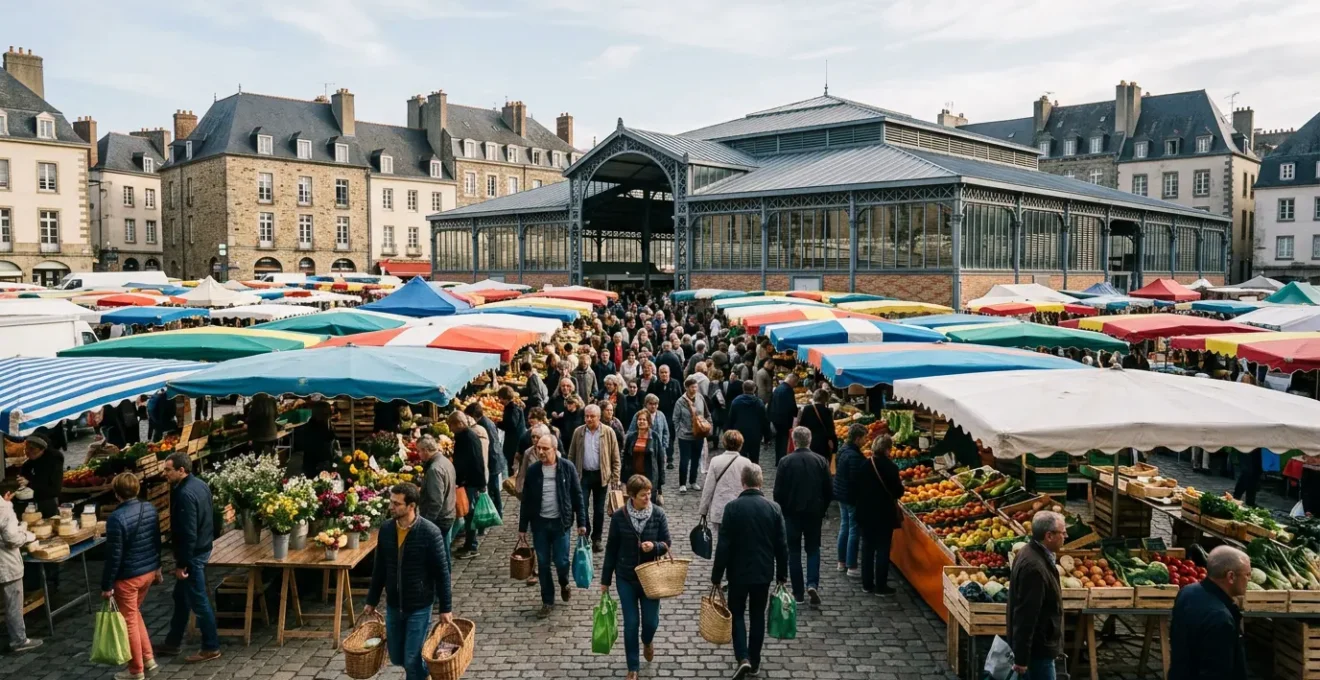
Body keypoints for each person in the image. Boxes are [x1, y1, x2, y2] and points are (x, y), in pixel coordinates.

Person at [364, 483, 454, 680]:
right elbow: (380, 568)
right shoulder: (387, 529)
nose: (391, 507)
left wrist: (445, 608)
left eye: (396, 504)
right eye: (391, 502)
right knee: (397, 657)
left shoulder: (430, 533)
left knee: (412, 658)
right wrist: (371, 600)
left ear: (411, 506)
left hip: (419, 606)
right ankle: (426, 675)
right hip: (394, 605)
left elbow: (442, 573)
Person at [711, 465, 788, 680]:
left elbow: (724, 545)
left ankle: (742, 657)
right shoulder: (773, 508)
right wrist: (782, 573)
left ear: (742, 482)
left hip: (738, 573)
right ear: (761, 482)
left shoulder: (733, 508)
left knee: (737, 614)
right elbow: (782, 545)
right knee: (757, 616)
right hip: (763, 572)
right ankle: (754, 661)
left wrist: (716, 576)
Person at [601, 475, 671, 680]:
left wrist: (655, 546)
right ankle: (633, 667)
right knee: (631, 623)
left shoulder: (658, 514)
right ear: (631, 496)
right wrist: (605, 581)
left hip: (651, 578)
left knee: (651, 622)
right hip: (626, 577)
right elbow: (611, 549)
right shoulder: (619, 517)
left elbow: (667, 542)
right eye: (643, 495)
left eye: (649, 493)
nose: (648, 498)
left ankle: (647, 640)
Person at [159, 453, 220, 663]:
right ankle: (172, 642)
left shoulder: (184, 494)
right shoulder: (200, 485)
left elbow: (187, 533)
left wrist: (182, 564)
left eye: (168, 470)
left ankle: (211, 646)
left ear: (181, 470)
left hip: (193, 554)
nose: (164, 473)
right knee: (181, 597)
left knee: (199, 600)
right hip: (202, 546)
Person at [519, 434, 589, 618]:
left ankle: (564, 582)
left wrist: (582, 522)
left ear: (554, 448)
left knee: (561, 561)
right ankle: (547, 601)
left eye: (545, 448)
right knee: (542, 563)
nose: (540, 452)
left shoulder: (567, 468)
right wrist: (522, 527)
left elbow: (577, 495)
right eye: (538, 448)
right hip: (540, 523)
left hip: (561, 523)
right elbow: (526, 500)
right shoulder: (534, 471)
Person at [100, 473, 162, 680]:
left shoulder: (116, 518)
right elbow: (156, 541)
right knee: (134, 614)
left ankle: (136, 670)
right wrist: (158, 567)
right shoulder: (150, 508)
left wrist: (107, 585)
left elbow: (113, 556)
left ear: (117, 494)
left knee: (129, 623)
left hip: (128, 578)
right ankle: (148, 659)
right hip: (148, 572)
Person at [1168, 545, 1249, 680]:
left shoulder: (1187, 592)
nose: (1249, 579)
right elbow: (1217, 672)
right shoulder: (1220, 618)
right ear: (1231, 576)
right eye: (1247, 574)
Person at [773, 426, 832, 606]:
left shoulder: (785, 462)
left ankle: (798, 593)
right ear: (810, 440)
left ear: (793, 440)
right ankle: (812, 583)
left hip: (792, 514)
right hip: (814, 513)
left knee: (794, 551)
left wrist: (783, 510)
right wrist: (823, 510)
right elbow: (829, 490)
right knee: (813, 549)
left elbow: (778, 492)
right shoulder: (821, 461)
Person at [1007, 511, 1066, 680]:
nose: (1066, 536)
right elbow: (1025, 615)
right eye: (1063, 533)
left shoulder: (1031, 553)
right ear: (1049, 536)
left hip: (1039, 646)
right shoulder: (1034, 568)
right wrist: (1021, 658)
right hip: (1038, 651)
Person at [852, 434, 903, 594]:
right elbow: (898, 492)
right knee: (882, 549)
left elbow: (856, 488)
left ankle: (867, 584)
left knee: (867, 548)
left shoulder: (865, 465)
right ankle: (881, 585)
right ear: (887, 450)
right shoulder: (892, 468)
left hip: (866, 513)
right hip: (884, 515)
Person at [568, 404, 621, 553]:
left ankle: (597, 538)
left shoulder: (608, 432)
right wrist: (571, 476)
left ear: (599, 417)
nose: (589, 419)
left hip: (601, 476)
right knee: (582, 507)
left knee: (599, 509)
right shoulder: (578, 432)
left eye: (592, 416)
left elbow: (615, 457)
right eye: (586, 416)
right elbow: (571, 455)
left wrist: (615, 477)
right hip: (583, 475)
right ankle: (585, 534)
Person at [0, 484, 40, 655]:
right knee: (13, 604)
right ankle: (19, 640)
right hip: (6, 563)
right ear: (8, 494)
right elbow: (11, 538)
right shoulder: (5, 509)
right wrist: (27, 535)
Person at [698, 431, 758, 539]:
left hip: (720, 509)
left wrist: (703, 510)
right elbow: (752, 487)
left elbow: (708, 487)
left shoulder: (715, 461)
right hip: (741, 509)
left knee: (722, 542)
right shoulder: (746, 462)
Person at [448, 412, 484, 560]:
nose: (450, 429)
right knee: (469, 514)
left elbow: (475, 462)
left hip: (470, 482)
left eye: (451, 425)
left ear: (458, 424)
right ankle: (470, 544)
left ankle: (472, 546)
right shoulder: (465, 436)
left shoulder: (468, 438)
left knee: (469, 514)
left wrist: (478, 483)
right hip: (469, 481)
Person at [833, 424, 867, 577]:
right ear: (858, 438)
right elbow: (855, 479)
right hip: (850, 496)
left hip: (841, 494)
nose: (866, 441)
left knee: (844, 526)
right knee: (854, 529)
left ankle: (841, 562)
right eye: (864, 438)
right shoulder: (854, 456)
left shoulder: (843, 450)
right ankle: (851, 565)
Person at [466, 402, 504, 523]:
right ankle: (497, 512)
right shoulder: (486, 421)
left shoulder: (482, 426)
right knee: (494, 488)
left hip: (492, 460)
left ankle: (496, 513)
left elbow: (488, 446)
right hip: (495, 458)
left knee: (493, 489)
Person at [672, 376, 710, 493]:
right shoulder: (680, 401)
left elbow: (707, 413)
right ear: (687, 388)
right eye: (693, 387)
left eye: (696, 387)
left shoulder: (700, 398)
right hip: (685, 435)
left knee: (695, 458)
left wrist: (708, 426)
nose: (695, 389)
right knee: (684, 460)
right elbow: (675, 418)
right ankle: (682, 483)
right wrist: (679, 430)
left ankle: (693, 481)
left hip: (698, 434)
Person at [416, 435, 456, 541]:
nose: (418, 454)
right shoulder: (445, 461)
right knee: (443, 549)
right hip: (448, 512)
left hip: (440, 518)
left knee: (437, 552)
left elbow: (436, 501)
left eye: (419, 451)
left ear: (425, 450)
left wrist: (428, 522)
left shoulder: (434, 469)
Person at [622, 411, 666, 498]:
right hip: (634, 476)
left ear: (649, 422)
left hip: (649, 476)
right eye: (639, 419)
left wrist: (660, 482)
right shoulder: (631, 437)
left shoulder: (654, 436)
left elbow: (660, 459)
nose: (641, 421)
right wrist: (623, 478)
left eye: (644, 420)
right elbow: (626, 458)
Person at [18, 434, 62, 517]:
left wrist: (29, 482)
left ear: (42, 450)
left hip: (48, 500)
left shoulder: (54, 460)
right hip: (34, 499)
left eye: (32, 448)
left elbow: (53, 488)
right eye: (26, 447)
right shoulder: (33, 460)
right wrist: (22, 478)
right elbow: (25, 471)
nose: (27, 451)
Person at [648, 365, 682, 469]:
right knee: (658, 436)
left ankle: (670, 458)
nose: (664, 375)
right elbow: (648, 398)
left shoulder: (675, 384)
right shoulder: (655, 384)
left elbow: (680, 400)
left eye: (666, 372)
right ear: (659, 374)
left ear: (669, 373)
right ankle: (658, 457)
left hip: (671, 415)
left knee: (670, 436)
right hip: (658, 414)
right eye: (662, 372)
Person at [295, 401, 337, 478]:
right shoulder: (320, 427)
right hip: (317, 464)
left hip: (311, 464)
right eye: (327, 414)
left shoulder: (310, 426)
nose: (329, 416)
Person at [796, 389, 838, 461]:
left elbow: (800, 425)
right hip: (822, 443)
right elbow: (830, 429)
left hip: (807, 441)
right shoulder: (827, 411)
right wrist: (834, 445)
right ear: (825, 399)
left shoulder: (805, 409)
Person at [768, 373, 799, 465]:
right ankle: (782, 460)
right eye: (795, 383)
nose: (795, 385)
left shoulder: (778, 388)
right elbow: (792, 406)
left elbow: (770, 403)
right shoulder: (788, 390)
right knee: (784, 441)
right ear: (792, 381)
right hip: (784, 420)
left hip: (776, 419)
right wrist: (796, 415)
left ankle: (778, 460)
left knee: (779, 440)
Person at [498, 386, 528, 478]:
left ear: (504, 398)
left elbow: (511, 425)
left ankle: (513, 482)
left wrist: (498, 423)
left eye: (500, 398)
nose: (500, 400)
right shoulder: (516, 406)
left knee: (513, 464)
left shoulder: (511, 409)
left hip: (514, 442)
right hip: (517, 440)